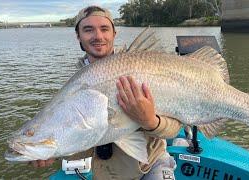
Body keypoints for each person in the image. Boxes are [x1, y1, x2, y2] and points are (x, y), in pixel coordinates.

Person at [32, 5, 182, 180]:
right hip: (107, 174)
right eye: (88, 30)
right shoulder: (74, 85)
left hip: (153, 165)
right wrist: (54, 150)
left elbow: (174, 129)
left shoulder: (142, 69)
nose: (98, 36)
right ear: (78, 36)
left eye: (104, 29)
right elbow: (85, 138)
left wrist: (149, 120)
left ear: (114, 34)